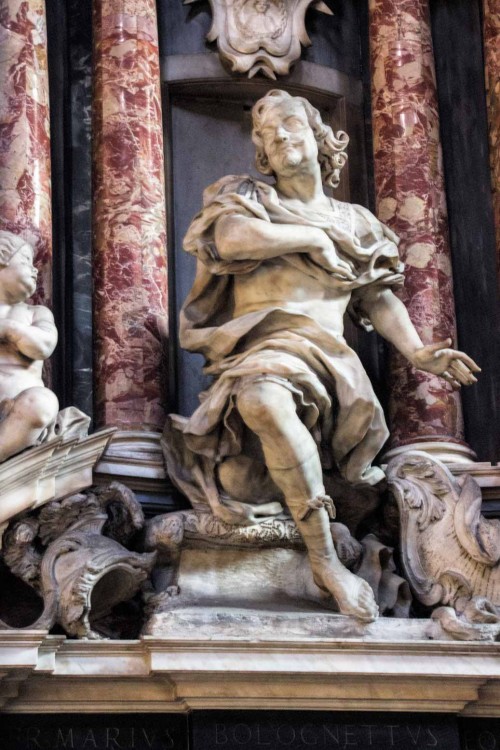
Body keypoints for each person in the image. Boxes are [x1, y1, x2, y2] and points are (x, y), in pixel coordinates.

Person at [163, 89, 479, 621]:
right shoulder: (244, 199)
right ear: (261, 154)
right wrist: (308, 236)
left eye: (290, 124)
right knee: (256, 423)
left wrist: (419, 352)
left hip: (329, 367)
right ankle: (324, 558)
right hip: (261, 352)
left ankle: (324, 554)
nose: (279, 136)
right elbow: (232, 239)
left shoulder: (356, 223)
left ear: (320, 138)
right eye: (266, 134)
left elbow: (378, 299)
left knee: (267, 404)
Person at [0, 231, 59, 463]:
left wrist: (9, 329)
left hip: (20, 410)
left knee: (42, 403)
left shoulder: (35, 313)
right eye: (25, 261)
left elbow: (43, 346)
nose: (35, 270)